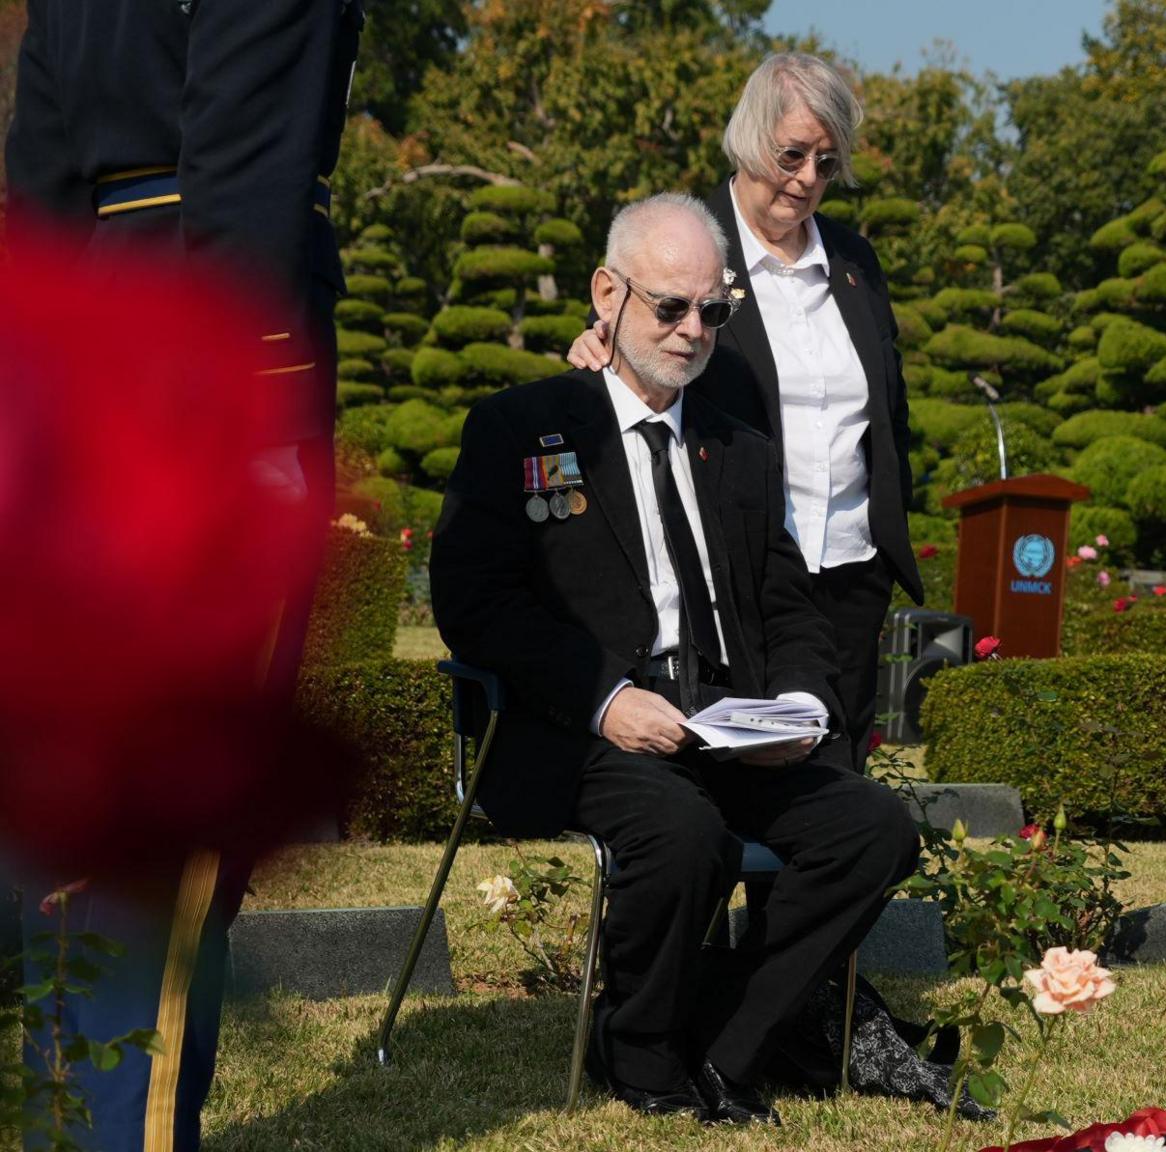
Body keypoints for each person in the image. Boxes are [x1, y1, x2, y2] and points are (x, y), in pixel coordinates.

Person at [431, 192, 921, 1125]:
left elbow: (788, 603)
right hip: (574, 728)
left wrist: (805, 708)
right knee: (680, 828)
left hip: (723, 725)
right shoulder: (522, 428)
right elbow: (475, 605)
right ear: (607, 294)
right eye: (670, 307)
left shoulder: (736, 449)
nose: (694, 331)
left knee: (874, 828)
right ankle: (643, 1047)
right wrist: (604, 696)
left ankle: (732, 1045)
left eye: (715, 311)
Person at [5, 4, 360, 1148]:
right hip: (205, 382)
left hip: (86, 365)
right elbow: (250, 146)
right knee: (175, 829)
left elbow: (43, 191)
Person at [570, 53, 922, 764]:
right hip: (741, 566)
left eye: (826, 163)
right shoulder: (696, 246)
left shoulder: (855, 262)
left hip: (854, 565)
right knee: (747, 773)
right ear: (748, 139)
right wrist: (591, 348)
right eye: (791, 155)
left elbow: (889, 407)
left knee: (839, 772)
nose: (807, 180)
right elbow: (634, 343)